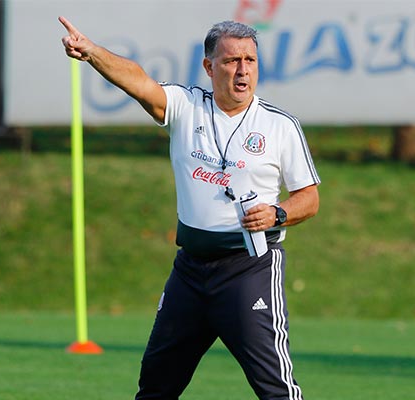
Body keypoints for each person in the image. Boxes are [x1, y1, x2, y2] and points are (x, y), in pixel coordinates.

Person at [59, 16, 320, 400]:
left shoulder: (280, 125)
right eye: (232, 61)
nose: (243, 70)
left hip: (248, 269)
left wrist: (278, 214)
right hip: (190, 272)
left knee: (274, 388)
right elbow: (139, 81)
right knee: (155, 385)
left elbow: (309, 198)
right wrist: (93, 53)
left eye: (250, 60)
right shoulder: (186, 107)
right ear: (209, 66)